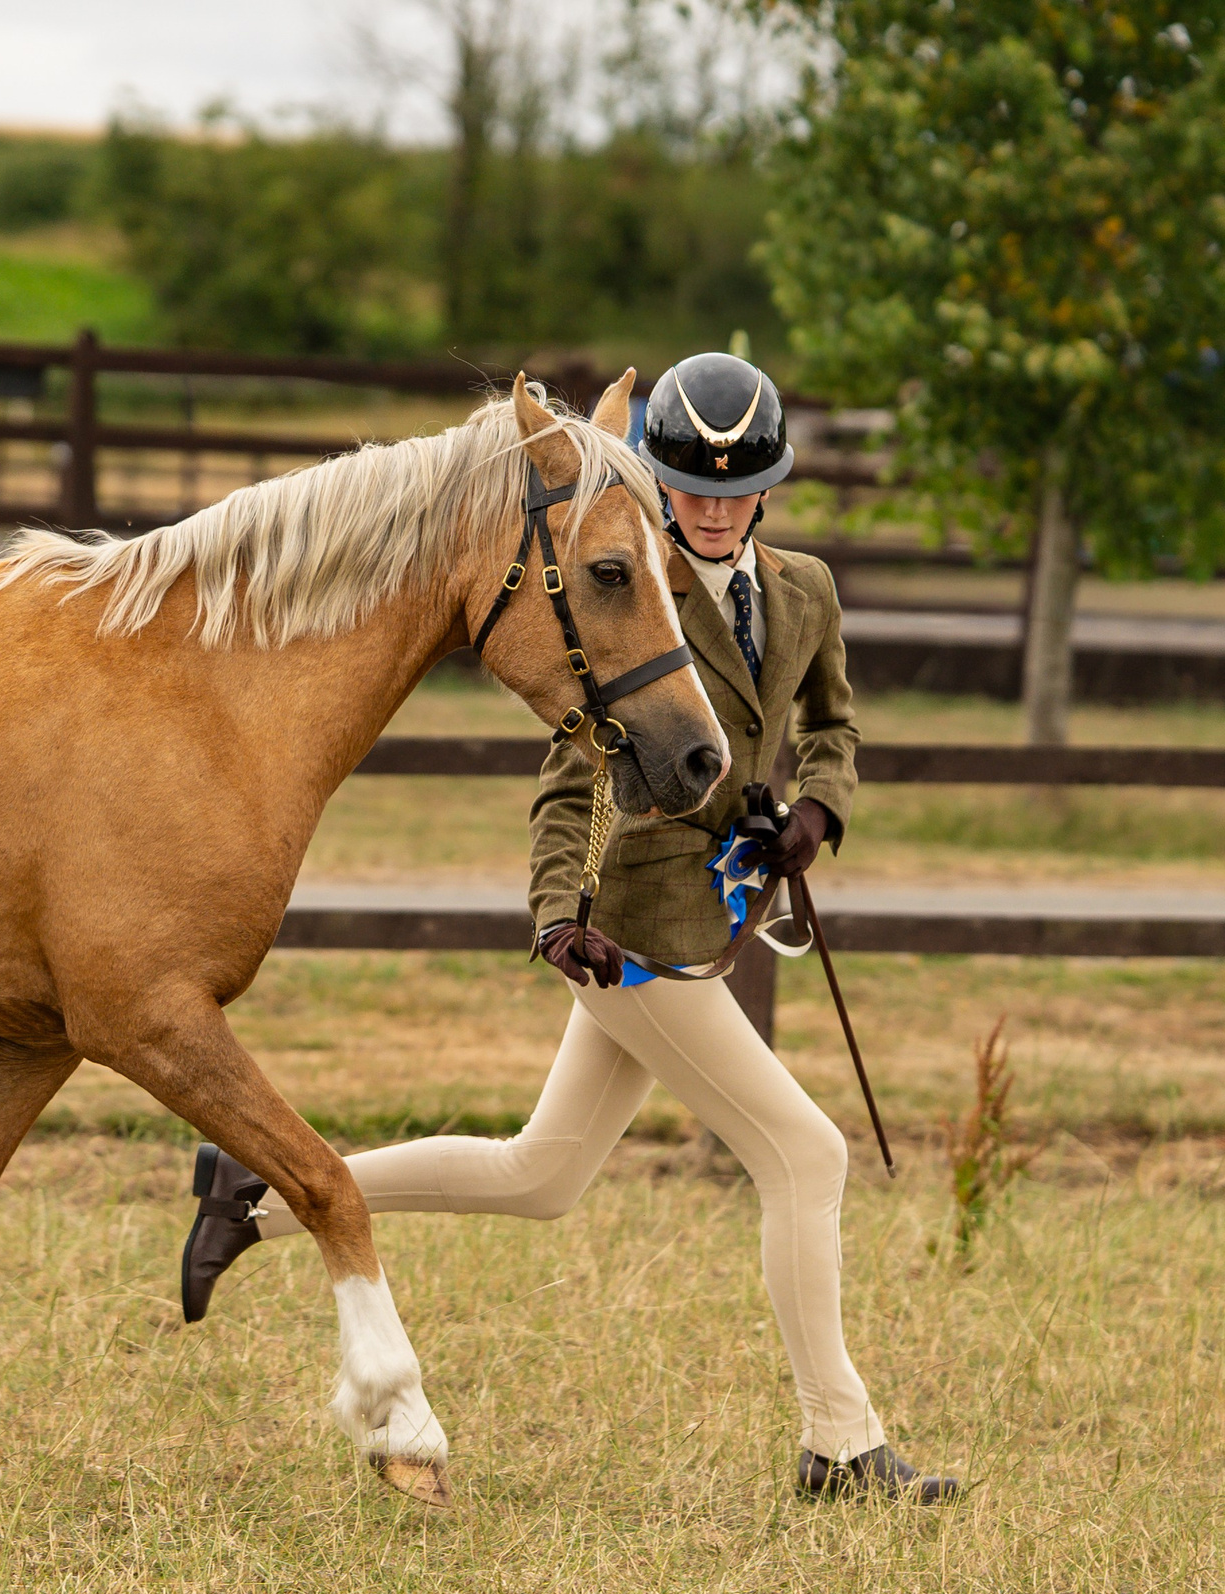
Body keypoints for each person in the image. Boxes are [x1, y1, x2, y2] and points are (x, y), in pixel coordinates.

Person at [179, 353, 960, 1504]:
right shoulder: (627, 589)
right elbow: (569, 780)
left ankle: (253, 1186)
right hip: (627, 928)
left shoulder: (805, 589)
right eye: (686, 487)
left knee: (539, 1174)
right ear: (658, 483)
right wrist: (556, 918)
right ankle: (839, 1444)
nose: (708, 511)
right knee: (806, 1152)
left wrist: (820, 806)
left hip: (717, 917)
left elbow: (831, 722)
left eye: (731, 493)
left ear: (766, 492)